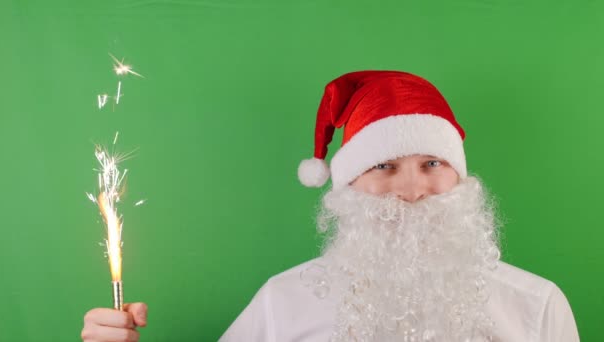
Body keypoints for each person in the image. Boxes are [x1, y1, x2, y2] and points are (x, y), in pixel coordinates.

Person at [81, 71, 580, 342]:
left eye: (432, 162)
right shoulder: (282, 304)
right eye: (383, 166)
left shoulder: (537, 309)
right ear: (345, 190)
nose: (412, 190)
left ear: (462, 180)